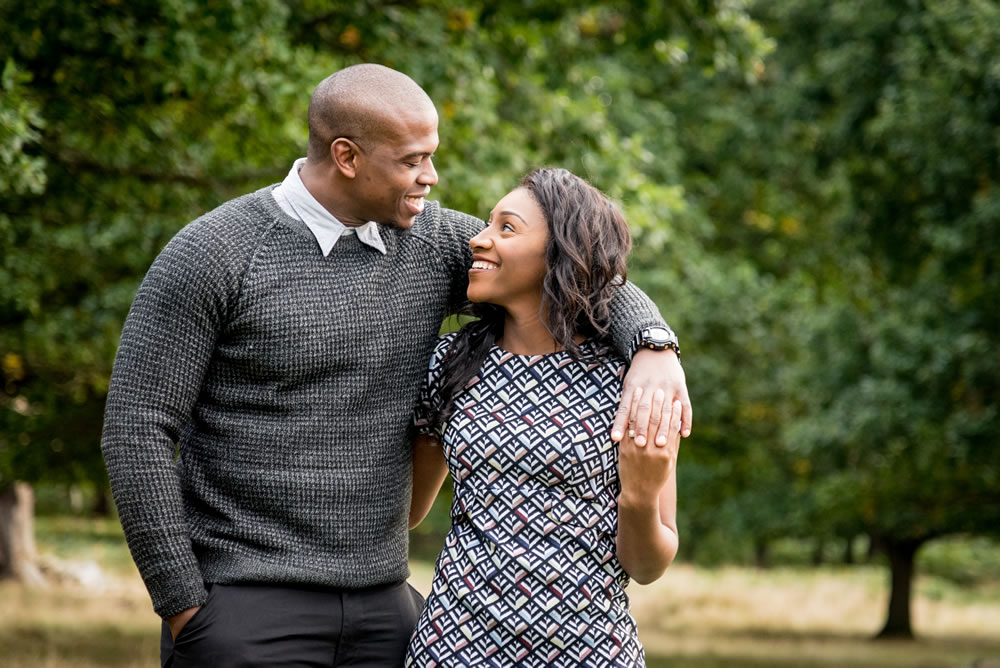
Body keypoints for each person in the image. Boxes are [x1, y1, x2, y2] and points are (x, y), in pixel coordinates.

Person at [101, 64, 689, 667]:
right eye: (412, 161)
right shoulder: (214, 252)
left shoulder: (433, 243)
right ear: (347, 156)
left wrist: (653, 346)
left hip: (386, 609)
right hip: (245, 604)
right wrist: (184, 607)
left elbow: (573, 271)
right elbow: (136, 428)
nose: (430, 178)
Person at [406, 168, 680, 667]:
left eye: (506, 228)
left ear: (560, 255)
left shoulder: (636, 383)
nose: (479, 240)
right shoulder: (449, 364)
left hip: (591, 652)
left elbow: (646, 566)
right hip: (453, 648)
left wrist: (640, 495)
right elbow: (408, 512)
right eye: (488, 225)